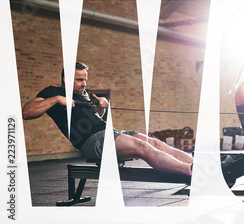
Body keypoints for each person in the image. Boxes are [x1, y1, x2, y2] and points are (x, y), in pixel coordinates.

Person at [21, 61, 193, 176]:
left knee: (154, 143)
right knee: (141, 147)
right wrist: (57, 100)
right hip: (91, 141)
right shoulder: (51, 92)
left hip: (108, 132)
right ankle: (189, 171)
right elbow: (27, 113)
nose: (84, 84)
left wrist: (100, 108)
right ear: (66, 79)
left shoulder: (85, 94)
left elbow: (96, 119)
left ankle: (198, 165)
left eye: (85, 80)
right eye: (79, 80)